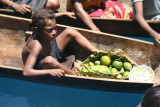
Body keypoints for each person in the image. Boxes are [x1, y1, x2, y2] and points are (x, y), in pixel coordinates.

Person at [22, 8, 98, 78]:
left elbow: (51, 17)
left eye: (55, 28)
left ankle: (98, 52)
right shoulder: (36, 46)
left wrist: (63, 14)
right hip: (42, 65)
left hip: (50, 50)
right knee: (49, 60)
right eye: (49, 30)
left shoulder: (43, 30)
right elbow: (26, 71)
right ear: (37, 30)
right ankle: (75, 75)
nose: (54, 32)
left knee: (70, 31)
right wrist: (49, 71)